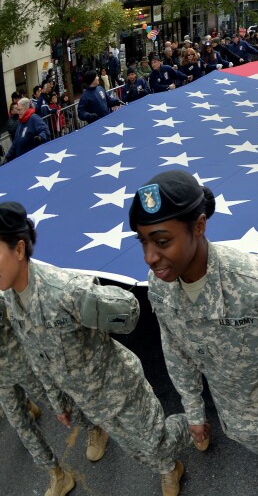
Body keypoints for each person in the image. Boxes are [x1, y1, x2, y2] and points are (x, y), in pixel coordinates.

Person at [130, 171, 258, 496]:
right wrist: (194, 411)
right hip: (232, 412)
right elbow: (176, 350)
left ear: (198, 226)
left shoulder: (256, 283)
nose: (150, 257)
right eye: (143, 241)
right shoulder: (161, 287)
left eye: (162, 241)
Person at [0, 202, 190, 495]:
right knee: (134, 448)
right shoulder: (12, 297)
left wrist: (98, 306)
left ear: (19, 249)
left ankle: (192, 426)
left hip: (119, 386)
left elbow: (130, 313)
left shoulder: (65, 290)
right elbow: (38, 357)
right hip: (88, 399)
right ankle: (168, 466)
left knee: (155, 441)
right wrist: (59, 403)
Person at [1, 293, 76, 496]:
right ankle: (59, 475)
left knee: (56, 402)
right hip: (2, 379)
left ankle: (93, 428)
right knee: (21, 425)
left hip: (22, 364)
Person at [4, 98, 49, 163]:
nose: (18, 112)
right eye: (17, 110)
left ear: (26, 108)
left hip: (33, 159)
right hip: (21, 160)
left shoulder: (34, 118)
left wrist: (40, 137)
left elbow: (45, 130)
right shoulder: (20, 121)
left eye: (20, 110)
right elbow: (16, 141)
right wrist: (8, 156)